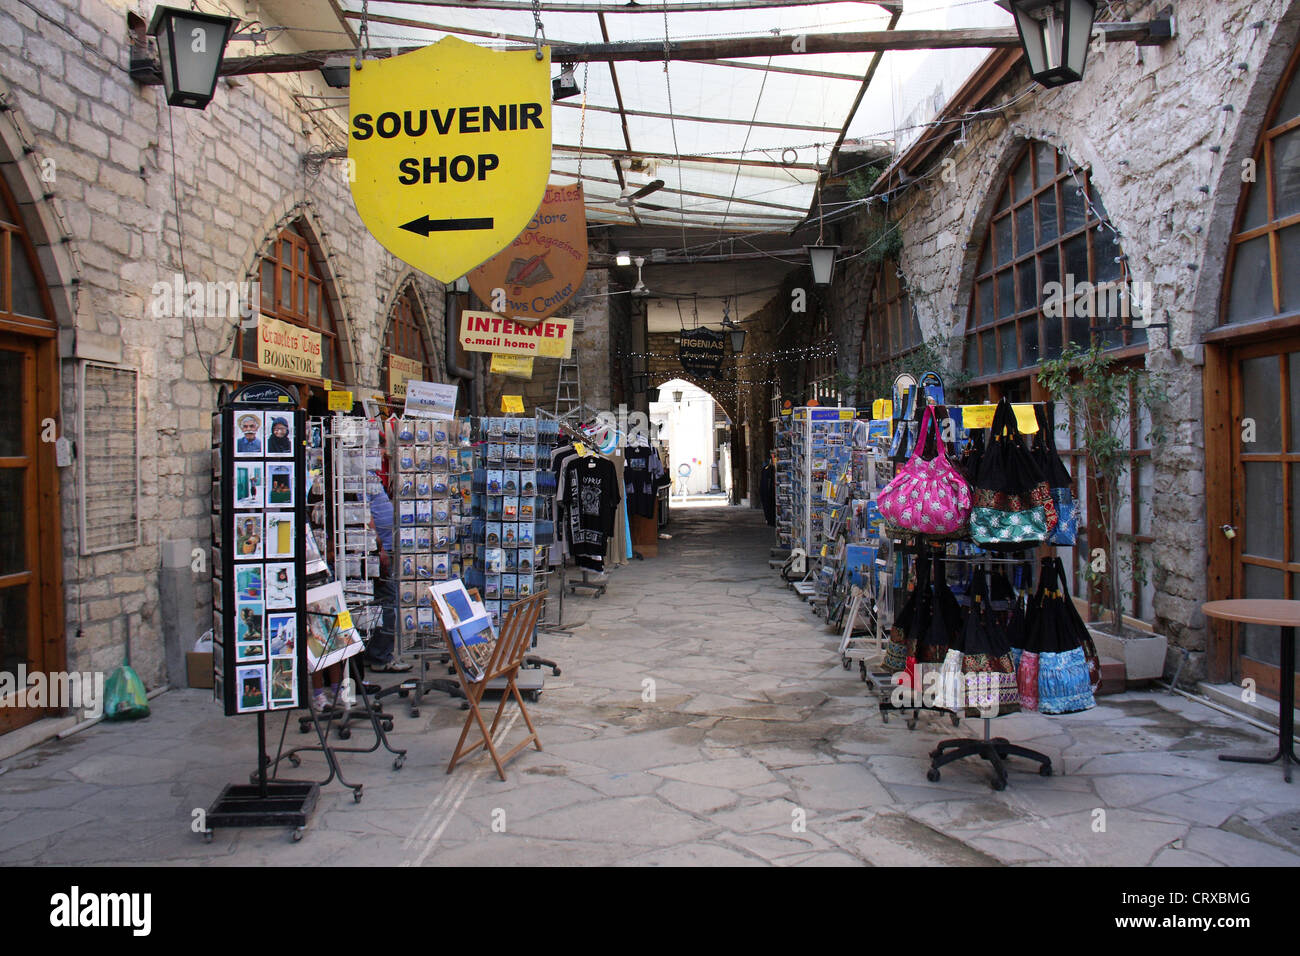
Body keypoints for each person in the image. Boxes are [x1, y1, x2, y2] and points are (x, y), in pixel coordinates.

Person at [364, 471, 410, 672]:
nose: (381, 451)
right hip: (378, 551)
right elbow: (365, 516)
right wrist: (378, 546)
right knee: (388, 601)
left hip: (388, 547)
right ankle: (379, 656)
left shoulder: (370, 474)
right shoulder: (359, 477)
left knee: (388, 600)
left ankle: (380, 653)